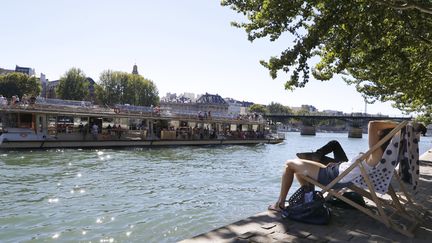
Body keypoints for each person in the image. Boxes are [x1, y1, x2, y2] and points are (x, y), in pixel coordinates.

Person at [268, 120, 399, 212]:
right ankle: (308, 199)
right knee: (300, 170)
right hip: (337, 170)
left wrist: (400, 125)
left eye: (379, 133)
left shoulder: (376, 153)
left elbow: (373, 124)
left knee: (289, 165)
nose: (376, 134)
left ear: (382, 137)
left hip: (333, 176)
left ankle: (280, 204)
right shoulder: (382, 155)